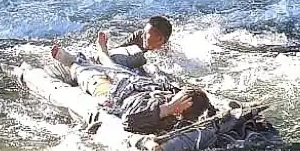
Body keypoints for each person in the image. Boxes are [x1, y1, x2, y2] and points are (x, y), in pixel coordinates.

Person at [50, 43, 212, 135]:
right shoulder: (170, 98)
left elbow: (129, 121)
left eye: (177, 100)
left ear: (180, 110)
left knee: (90, 76)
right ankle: (102, 53)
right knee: (113, 67)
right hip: (134, 82)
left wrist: (165, 109)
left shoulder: (167, 117)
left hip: (113, 93)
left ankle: (72, 61)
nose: (173, 98)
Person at [93, 16, 173, 71]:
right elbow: (119, 48)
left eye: (146, 34)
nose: (142, 35)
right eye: (143, 32)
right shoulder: (139, 36)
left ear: (159, 39)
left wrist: (102, 48)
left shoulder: (165, 55)